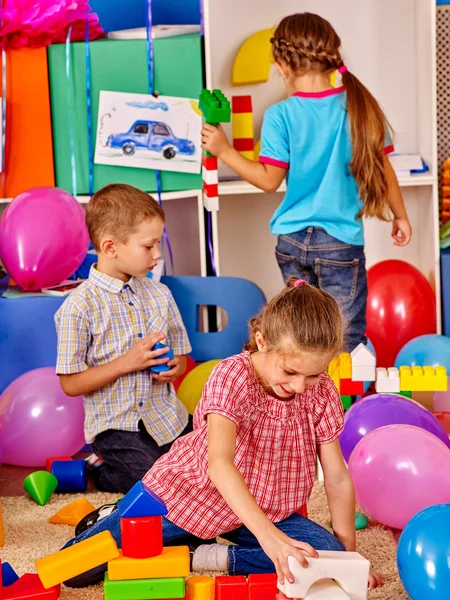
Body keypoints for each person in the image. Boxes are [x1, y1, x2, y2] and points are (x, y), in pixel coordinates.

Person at [62, 278, 382, 589]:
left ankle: (207, 555)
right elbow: (219, 463)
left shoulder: (321, 391)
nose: (300, 386)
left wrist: (348, 561)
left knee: (320, 555)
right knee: (74, 570)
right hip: (189, 498)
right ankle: (115, 514)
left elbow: (337, 477)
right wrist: (269, 539)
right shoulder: (232, 377)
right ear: (262, 342)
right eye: (289, 372)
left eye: (313, 375)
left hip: (263, 512)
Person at [201, 12, 412, 351]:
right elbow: (385, 170)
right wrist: (400, 216)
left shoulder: (280, 115)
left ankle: (305, 399)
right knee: (341, 338)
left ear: (281, 64)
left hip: (292, 243)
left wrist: (224, 150)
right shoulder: (359, 106)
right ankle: (336, 402)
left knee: (304, 334)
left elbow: (269, 181)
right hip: (340, 243)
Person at [54, 183, 192, 493]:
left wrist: (174, 366)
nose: (157, 254)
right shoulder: (78, 307)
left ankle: (145, 463)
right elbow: (70, 384)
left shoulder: (160, 294)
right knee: (160, 485)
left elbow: (182, 358)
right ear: (111, 247)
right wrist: (127, 363)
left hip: (166, 418)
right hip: (117, 429)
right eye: (148, 246)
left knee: (218, 459)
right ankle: (104, 471)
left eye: (159, 243)